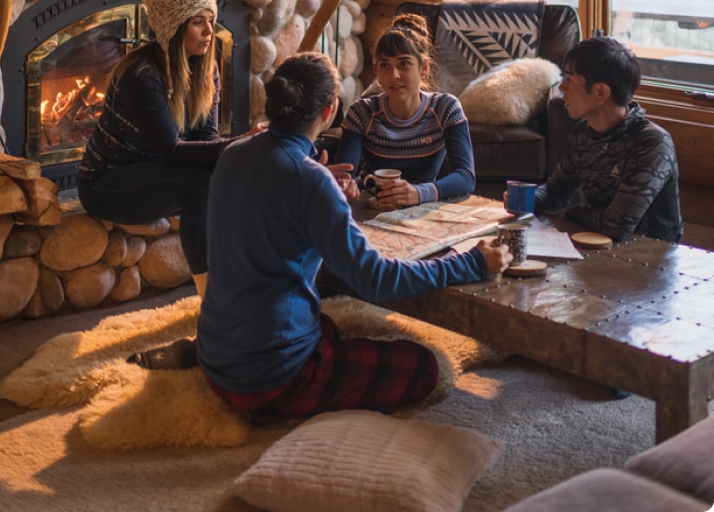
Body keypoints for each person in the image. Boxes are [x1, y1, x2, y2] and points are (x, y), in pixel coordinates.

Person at [129, 52, 512, 421]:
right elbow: (375, 280)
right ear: (329, 110)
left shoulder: (233, 154)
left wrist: (317, 180)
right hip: (271, 381)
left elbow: (275, 190)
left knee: (326, 325)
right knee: (424, 367)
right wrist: (470, 262)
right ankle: (291, 382)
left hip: (217, 352)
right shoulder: (309, 181)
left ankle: (208, 354)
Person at [78, 0, 233, 296]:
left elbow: (206, 138)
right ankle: (213, 298)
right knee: (198, 183)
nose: (209, 31)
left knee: (225, 173)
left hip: (157, 177)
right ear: (175, 28)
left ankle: (246, 277)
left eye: (212, 21)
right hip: (107, 184)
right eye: (197, 22)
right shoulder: (141, 75)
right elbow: (172, 152)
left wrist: (239, 154)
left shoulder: (206, 70)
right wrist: (239, 146)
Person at [534, 35, 683, 243]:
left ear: (600, 92)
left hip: (652, 261)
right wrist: (526, 199)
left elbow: (617, 226)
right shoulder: (581, 134)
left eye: (570, 79)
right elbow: (556, 191)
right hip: (600, 249)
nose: (562, 88)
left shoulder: (652, 143)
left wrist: (574, 213)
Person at [335, 13, 476, 208]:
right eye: (385, 65)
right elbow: (346, 175)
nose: (394, 75)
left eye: (404, 64)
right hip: (373, 205)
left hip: (423, 207)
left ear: (423, 67)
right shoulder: (362, 113)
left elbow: (466, 177)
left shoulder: (446, 109)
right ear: (376, 71)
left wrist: (418, 193)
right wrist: (345, 186)